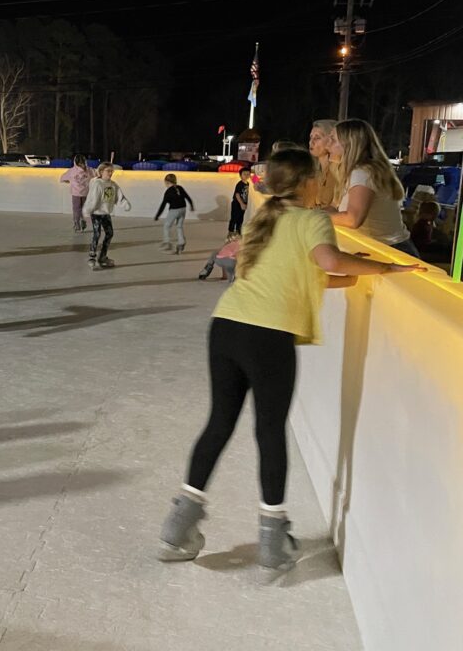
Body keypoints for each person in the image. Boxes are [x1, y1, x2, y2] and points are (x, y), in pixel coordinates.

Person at [156, 149, 423, 572]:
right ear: (305, 182)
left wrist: (351, 277)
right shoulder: (311, 219)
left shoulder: (264, 219)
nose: (321, 181)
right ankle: (273, 538)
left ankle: (178, 525)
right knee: (269, 430)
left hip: (226, 326)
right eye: (317, 176)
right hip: (268, 336)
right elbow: (328, 261)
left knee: (219, 422)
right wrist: (388, 268)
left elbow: (291, 273)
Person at [326, 119, 418, 257]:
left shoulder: (362, 173)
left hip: (390, 251)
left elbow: (352, 219)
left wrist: (315, 218)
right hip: (386, 248)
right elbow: (334, 207)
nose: (328, 145)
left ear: (350, 144)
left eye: (333, 139)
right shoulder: (356, 171)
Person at [82, 162, 127, 269]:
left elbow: (118, 195)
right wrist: (87, 210)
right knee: (97, 234)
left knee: (110, 233)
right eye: (108, 171)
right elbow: (92, 199)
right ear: (101, 171)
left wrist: (124, 203)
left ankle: (102, 256)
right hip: (96, 213)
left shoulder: (112, 184)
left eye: (112, 171)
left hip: (106, 213)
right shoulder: (97, 184)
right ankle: (92, 256)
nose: (111, 173)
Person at [154, 173, 195, 254]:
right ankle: (181, 242)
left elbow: (163, 204)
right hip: (183, 209)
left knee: (166, 226)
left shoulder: (168, 192)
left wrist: (157, 215)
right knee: (179, 226)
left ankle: (167, 243)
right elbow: (187, 197)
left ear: (166, 182)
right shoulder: (180, 188)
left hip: (174, 210)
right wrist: (191, 205)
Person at [60, 154, 94, 233]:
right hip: (85, 192)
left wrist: (69, 181)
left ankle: (77, 223)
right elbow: (96, 175)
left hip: (75, 193)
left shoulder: (72, 171)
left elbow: (62, 178)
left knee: (76, 209)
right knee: (83, 208)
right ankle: (82, 221)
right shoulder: (89, 170)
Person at [308, 120, 337, 208]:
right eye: (310, 137)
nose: (311, 142)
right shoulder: (316, 172)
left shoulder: (335, 172)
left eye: (317, 138)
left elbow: (326, 205)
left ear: (331, 140)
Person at [229, 167, 251, 235]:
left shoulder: (248, 183)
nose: (246, 175)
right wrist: (241, 204)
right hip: (237, 203)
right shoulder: (240, 184)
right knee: (234, 218)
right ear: (240, 175)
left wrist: (245, 204)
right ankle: (231, 232)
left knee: (240, 219)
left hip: (243, 204)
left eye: (248, 174)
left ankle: (238, 231)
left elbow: (256, 180)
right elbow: (237, 194)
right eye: (244, 174)